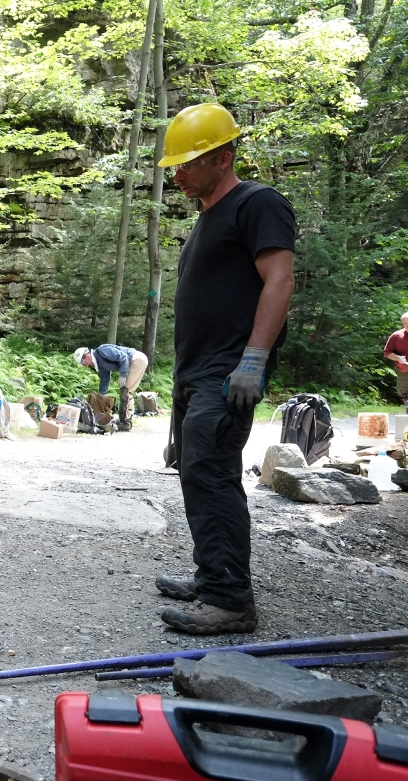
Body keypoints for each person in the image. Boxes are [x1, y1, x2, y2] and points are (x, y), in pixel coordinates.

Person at [152, 102, 296, 635]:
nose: (179, 173)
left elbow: (279, 281)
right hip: (198, 373)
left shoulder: (257, 204)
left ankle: (230, 599)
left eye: (189, 163)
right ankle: (213, 577)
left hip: (229, 372)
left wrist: (254, 359)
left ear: (224, 157)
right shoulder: (210, 215)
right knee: (199, 474)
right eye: (176, 165)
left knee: (212, 476)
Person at [73, 344, 149, 430]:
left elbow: (123, 357)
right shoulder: (99, 363)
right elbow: (105, 379)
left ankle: (125, 422)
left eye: (83, 362)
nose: (86, 365)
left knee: (126, 391)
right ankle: (124, 420)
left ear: (87, 355)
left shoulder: (102, 350)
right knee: (126, 390)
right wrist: (101, 396)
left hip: (137, 359)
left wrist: (123, 375)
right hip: (133, 360)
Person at [383, 311, 408, 413]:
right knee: (405, 395)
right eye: (405, 323)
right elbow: (387, 353)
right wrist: (398, 358)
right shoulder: (396, 336)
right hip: (404, 371)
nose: (407, 325)